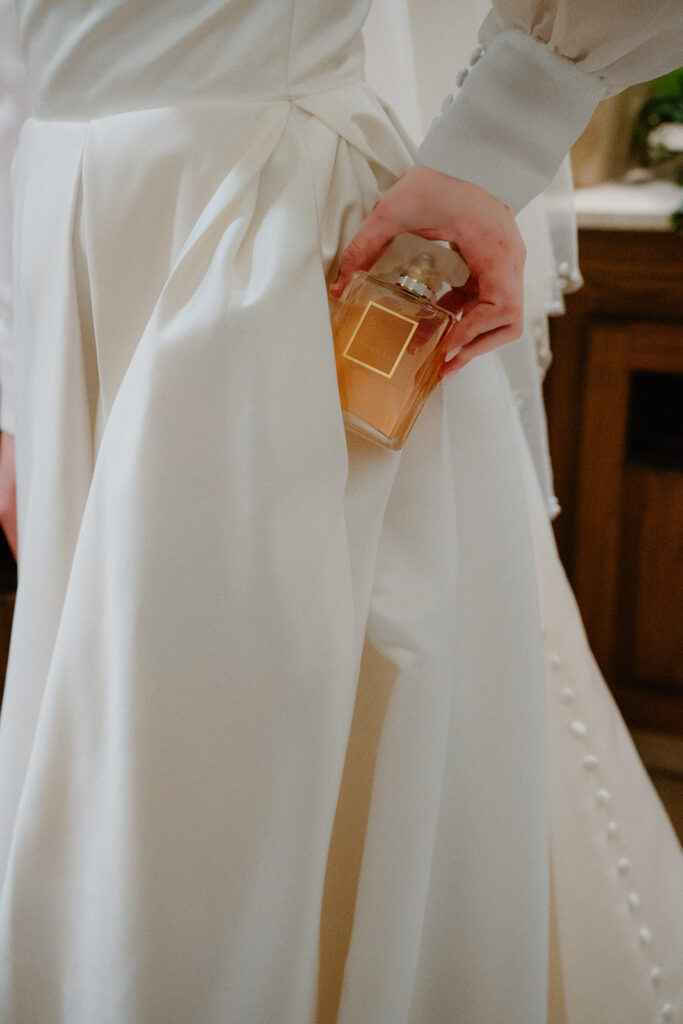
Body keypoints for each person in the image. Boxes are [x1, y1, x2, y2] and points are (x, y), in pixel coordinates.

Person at [0, 1, 681, 1022]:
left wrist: (497, 138)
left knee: (238, 739)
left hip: (268, 240)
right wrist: (17, 372)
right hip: (66, 240)